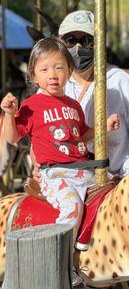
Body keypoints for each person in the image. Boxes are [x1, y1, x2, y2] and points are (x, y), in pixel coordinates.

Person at [58, 10, 129, 289]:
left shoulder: (120, 82)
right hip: (71, 179)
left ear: (99, 44)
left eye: (86, 40)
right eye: (71, 40)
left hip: (116, 182)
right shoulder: (56, 83)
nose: (79, 47)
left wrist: (123, 175)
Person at [1, 37, 120, 238]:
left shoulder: (73, 106)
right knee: (72, 209)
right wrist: (10, 115)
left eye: (59, 68)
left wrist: (103, 127)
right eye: (44, 70)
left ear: (69, 72)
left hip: (84, 169)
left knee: (119, 190)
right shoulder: (31, 105)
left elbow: (81, 135)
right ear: (33, 76)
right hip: (56, 174)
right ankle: (61, 261)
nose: (53, 75)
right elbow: (12, 137)